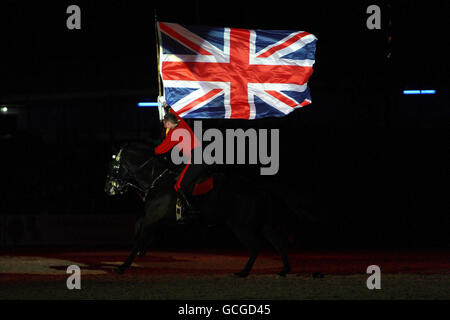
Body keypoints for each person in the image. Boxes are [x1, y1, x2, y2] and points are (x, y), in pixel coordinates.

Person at [154, 105, 203, 215]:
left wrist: (150, 151)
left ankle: (190, 210)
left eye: (164, 122)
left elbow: (160, 150)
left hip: (196, 160)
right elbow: (174, 112)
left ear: (168, 123)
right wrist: (168, 107)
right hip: (200, 156)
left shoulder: (173, 134)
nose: (163, 124)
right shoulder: (181, 123)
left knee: (178, 186)